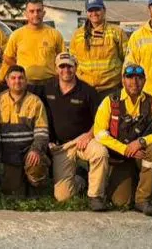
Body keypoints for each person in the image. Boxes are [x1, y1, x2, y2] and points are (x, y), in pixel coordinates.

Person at [94, 65, 152, 217]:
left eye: (139, 78)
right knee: (120, 201)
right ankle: (141, 183)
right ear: (123, 79)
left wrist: (142, 141)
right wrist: (125, 149)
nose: (134, 82)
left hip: (144, 153)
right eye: (129, 78)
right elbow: (99, 133)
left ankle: (144, 200)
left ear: (144, 80)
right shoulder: (110, 101)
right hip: (121, 157)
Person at [41, 53, 108, 210]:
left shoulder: (88, 91)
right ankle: (81, 178)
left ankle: (96, 196)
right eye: (62, 66)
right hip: (61, 146)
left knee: (101, 152)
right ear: (56, 68)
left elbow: (100, 120)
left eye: (70, 66)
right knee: (63, 197)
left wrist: (89, 135)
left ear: (76, 67)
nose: (66, 70)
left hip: (83, 141)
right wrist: (48, 140)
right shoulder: (46, 89)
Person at [0, 65, 50, 197]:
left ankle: (37, 192)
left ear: (26, 81)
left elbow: (42, 131)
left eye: (21, 78)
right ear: (7, 81)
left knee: (36, 165)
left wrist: (36, 149)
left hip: (29, 151)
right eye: (13, 78)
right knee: (14, 194)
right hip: (8, 154)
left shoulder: (35, 101)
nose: (17, 81)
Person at [0, 0, 65, 94]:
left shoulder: (55, 34)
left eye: (38, 11)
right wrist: (19, 70)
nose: (35, 14)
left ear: (44, 13)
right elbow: (7, 57)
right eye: (32, 11)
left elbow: (63, 59)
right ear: (26, 14)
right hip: (25, 85)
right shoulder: (17, 35)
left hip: (50, 85)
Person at [70, 0, 127, 101]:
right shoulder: (77, 35)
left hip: (111, 88)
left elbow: (127, 59)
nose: (94, 13)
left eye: (97, 9)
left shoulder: (117, 32)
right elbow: (73, 61)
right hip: (84, 89)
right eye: (91, 10)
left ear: (104, 10)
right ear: (87, 13)